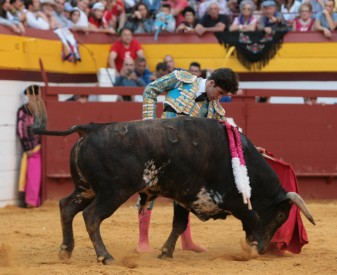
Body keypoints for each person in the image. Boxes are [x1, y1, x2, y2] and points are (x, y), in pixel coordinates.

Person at [138, 68, 239, 253]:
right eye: (220, 93)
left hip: (186, 159)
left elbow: (230, 134)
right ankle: (142, 242)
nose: (220, 98)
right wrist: (148, 126)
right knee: (147, 190)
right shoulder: (181, 79)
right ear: (211, 83)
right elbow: (150, 90)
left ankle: (187, 242)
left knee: (185, 196)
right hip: (160, 145)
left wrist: (250, 149)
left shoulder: (215, 109)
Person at [17, 85, 42, 208]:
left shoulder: (41, 109)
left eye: (35, 95)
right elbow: (21, 129)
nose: (33, 98)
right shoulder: (24, 110)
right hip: (33, 148)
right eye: (31, 95)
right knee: (33, 176)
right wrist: (27, 148)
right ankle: (31, 201)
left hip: (41, 147)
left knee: (36, 176)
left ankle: (35, 200)